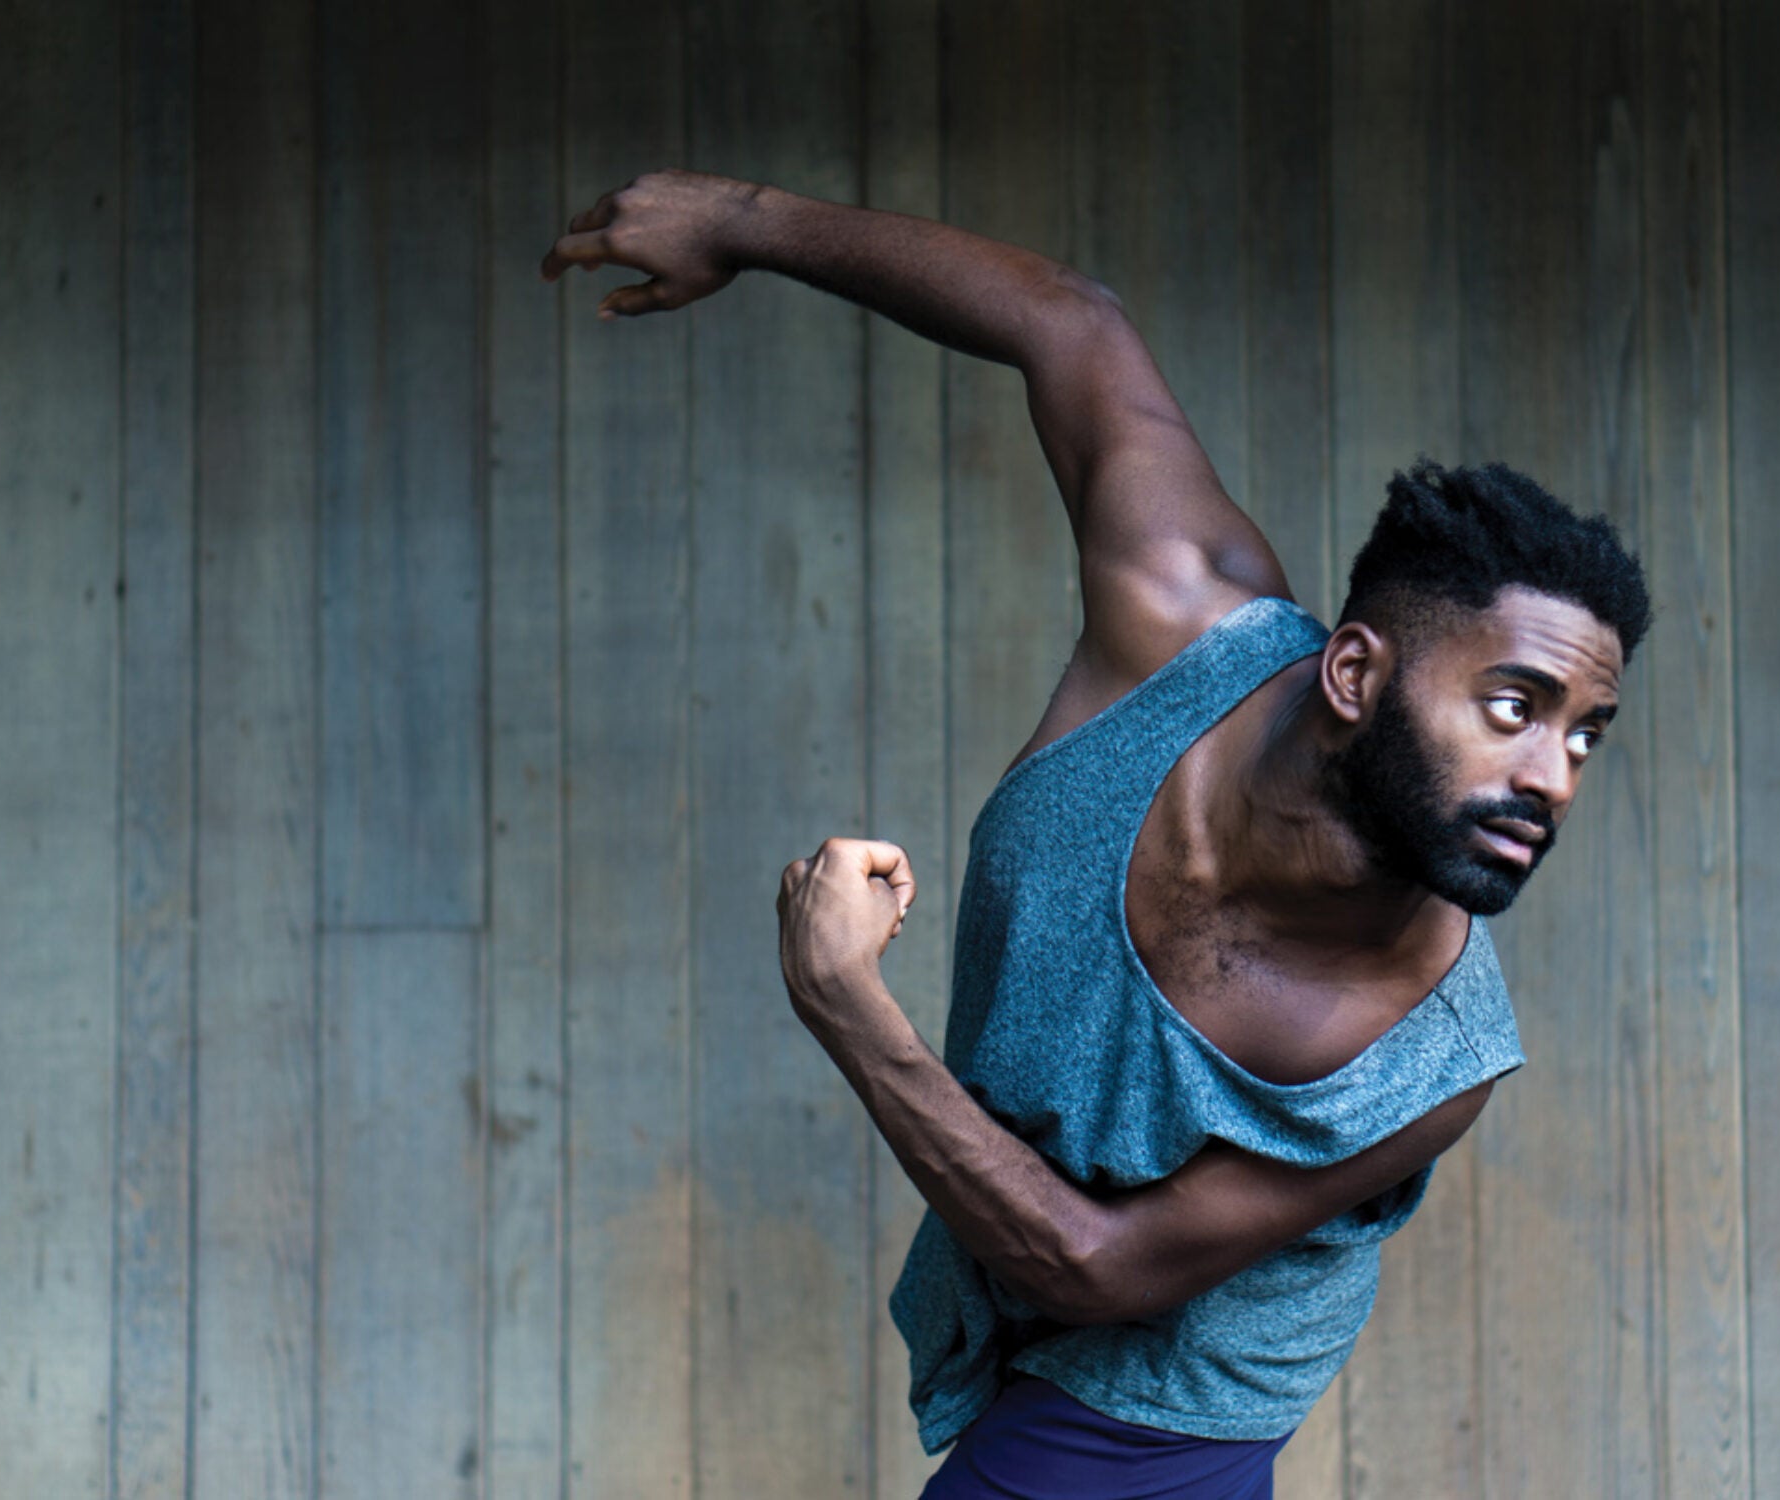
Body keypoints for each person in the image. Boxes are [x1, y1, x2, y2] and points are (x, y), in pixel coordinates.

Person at [545, 170, 1650, 1499]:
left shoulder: (1431, 1054)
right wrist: (743, 222)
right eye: (1515, 707)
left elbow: (1094, 1266)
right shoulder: (1179, 619)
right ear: (1354, 676)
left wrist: (845, 1002)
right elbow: (1066, 320)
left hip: (1155, 1421)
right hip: (1008, 1305)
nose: (1555, 775)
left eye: (1586, 733)